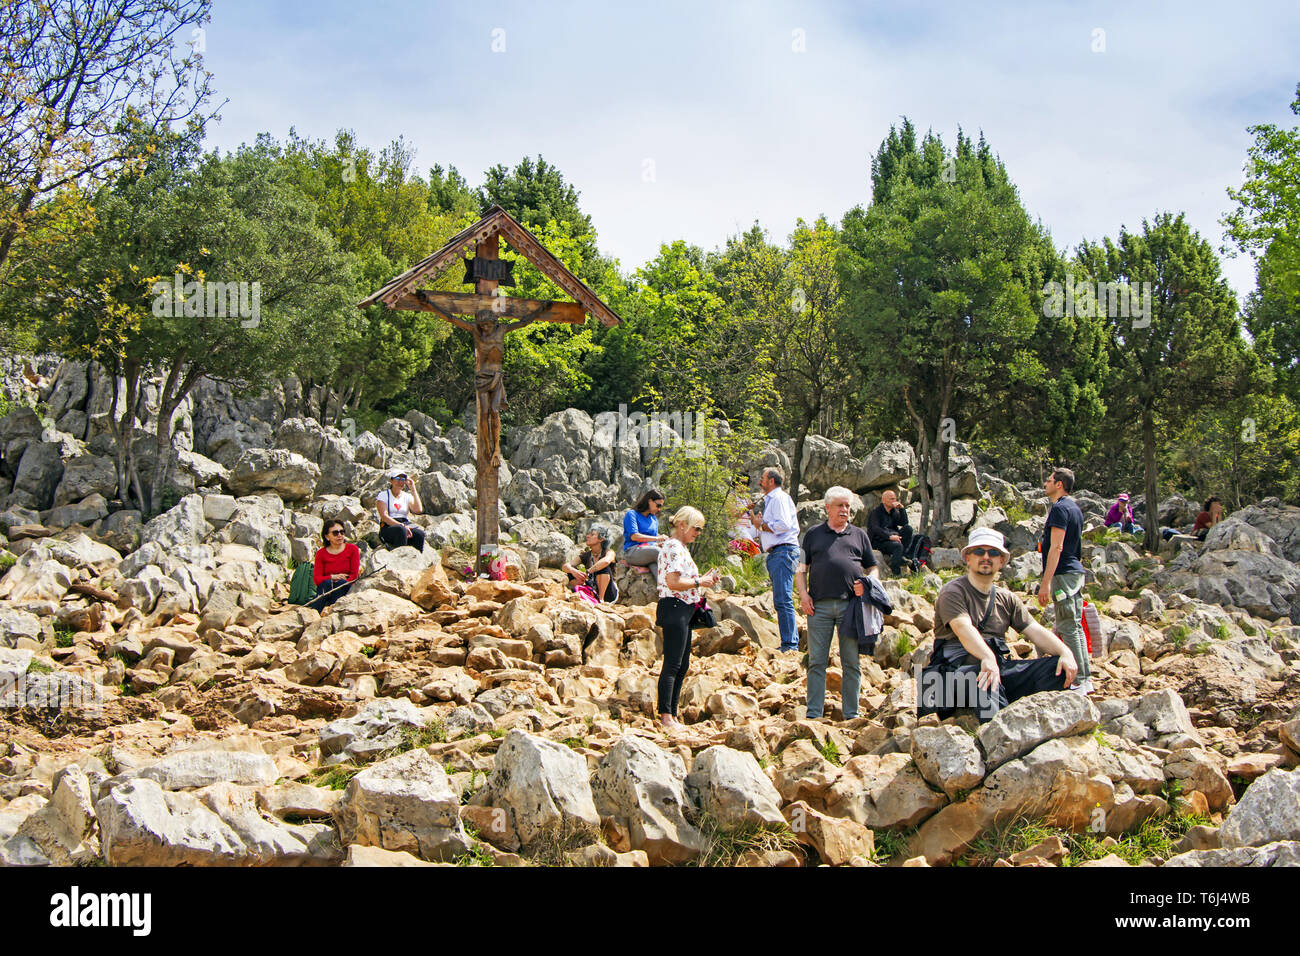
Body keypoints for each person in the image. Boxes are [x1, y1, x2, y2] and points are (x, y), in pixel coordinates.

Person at [918, 528, 1078, 721]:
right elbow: (963, 628)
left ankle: (1038, 722)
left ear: (1001, 561)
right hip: (950, 679)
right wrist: (987, 657)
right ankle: (998, 736)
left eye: (993, 553)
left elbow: (1034, 630)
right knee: (985, 675)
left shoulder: (1007, 598)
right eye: (979, 552)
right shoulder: (953, 592)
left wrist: (1066, 653)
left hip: (993, 671)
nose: (986, 557)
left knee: (1057, 668)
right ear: (968, 558)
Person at [796, 486, 880, 721]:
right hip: (818, 607)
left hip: (851, 607)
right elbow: (801, 570)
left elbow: (873, 567)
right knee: (816, 662)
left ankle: (851, 714)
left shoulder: (859, 535)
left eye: (848, 506)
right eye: (840, 505)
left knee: (851, 662)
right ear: (827, 508)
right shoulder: (812, 534)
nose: (845, 510)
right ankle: (813, 714)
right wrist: (803, 595)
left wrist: (869, 583)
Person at [655, 506, 721, 729]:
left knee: (681, 664)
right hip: (675, 606)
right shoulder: (673, 546)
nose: (698, 533)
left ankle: (671, 714)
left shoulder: (679, 547)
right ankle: (666, 716)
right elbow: (672, 582)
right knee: (673, 663)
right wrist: (700, 582)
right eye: (696, 528)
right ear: (682, 525)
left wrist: (702, 580)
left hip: (682, 608)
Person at [1039, 467, 1090, 694]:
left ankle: (1078, 680)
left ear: (1059, 484)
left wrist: (1045, 582)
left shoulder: (1059, 509)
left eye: (1049, 480)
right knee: (1074, 625)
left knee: (1069, 626)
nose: (1045, 484)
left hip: (1063, 573)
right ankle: (1085, 678)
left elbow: (1057, 547)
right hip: (1075, 572)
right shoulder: (1075, 508)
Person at [749, 466, 800, 652]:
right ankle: (789, 643)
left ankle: (790, 645)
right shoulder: (775, 499)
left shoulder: (778, 498)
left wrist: (761, 524)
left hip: (783, 551)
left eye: (762, 478)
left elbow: (784, 525)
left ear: (771, 481)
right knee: (782, 599)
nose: (760, 482)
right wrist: (760, 523)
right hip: (779, 553)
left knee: (783, 599)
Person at [867, 488, 924, 575]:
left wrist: (902, 509)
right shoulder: (876, 512)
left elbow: (904, 523)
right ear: (884, 500)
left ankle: (901, 556)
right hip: (879, 541)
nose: (894, 501)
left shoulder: (893, 511)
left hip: (892, 537)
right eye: (891, 499)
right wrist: (890, 536)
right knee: (898, 546)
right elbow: (875, 529)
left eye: (895, 499)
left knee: (908, 529)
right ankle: (896, 572)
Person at [310, 519, 361, 612]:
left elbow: (354, 576)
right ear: (327, 536)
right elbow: (317, 579)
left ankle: (334, 611)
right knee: (326, 583)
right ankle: (315, 612)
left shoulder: (353, 549)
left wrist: (341, 581)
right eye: (335, 533)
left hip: (345, 588)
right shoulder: (321, 554)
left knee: (341, 584)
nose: (340, 535)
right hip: (326, 588)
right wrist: (332, 577)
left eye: (342, 532)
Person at [563, 526, 618, 603]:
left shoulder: (609, 552)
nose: (587, 536)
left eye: (592, 535)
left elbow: (606, 561)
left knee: (602, 567)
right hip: (592, 589)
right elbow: (565, 566)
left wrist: (588, 572)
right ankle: (578, 592)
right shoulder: (586, 555)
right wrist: (573, 571)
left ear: (601, 539)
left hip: (608, 594)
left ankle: (601, 600)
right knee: (571, 570)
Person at [376, 470, 425, 551]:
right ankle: (400, 556)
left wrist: (413, 489)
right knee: (401, 530)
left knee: (420, 534)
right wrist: (402, 526)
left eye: (403, 480)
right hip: (389, 526)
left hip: (404, 523)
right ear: (391, 480)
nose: (400, 482)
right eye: (398, 478)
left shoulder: (406, 496)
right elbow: (384, 516)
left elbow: (418, 510)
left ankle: (417, 559)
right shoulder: (383, 495)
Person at [623, 489, 667, 569]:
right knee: (658, 552)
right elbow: (634, 536)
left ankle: (665, 581)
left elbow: (652, 542)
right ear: (650, 501)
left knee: (656, 567)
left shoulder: (654, 519)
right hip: (632, 551)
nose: (659, 509)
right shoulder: (632, 514)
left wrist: (659, 544)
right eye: (658, 505)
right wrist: (658, 538)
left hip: (649, 550)